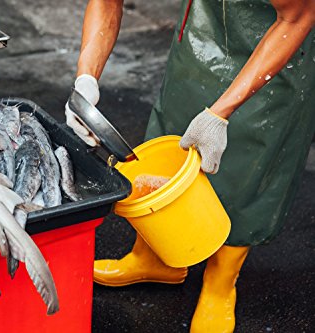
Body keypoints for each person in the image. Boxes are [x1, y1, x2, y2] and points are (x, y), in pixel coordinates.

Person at [65, 0, 315, 332]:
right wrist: (86, 79)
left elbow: (297, 18)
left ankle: (220, 283)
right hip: (203, 34)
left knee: (249, 163)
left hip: (278, 49)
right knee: (174, 130)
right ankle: (155, 258)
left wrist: (221, 113)